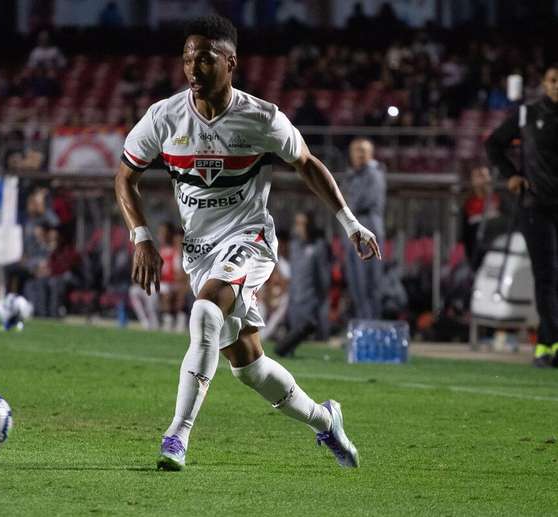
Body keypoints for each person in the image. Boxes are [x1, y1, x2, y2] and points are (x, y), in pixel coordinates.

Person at [114, 15, 380, 471]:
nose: (193, 69)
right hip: (200, 250)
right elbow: (125, 176)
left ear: (231, 61)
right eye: (186, 59)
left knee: (204, 310)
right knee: (249, 366)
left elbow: (308, 164)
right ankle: (325, 420)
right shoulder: (164, 117)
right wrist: (141, 236)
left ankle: (176, 435)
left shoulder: (262, 118)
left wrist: (351, 223)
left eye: (204, 58)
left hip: (249, 239)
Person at [485, 64, 558, 368]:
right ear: (543, 83)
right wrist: (511, 175)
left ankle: (548, 342)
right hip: (537, 206)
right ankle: (547, 345)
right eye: (554, 80)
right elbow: (493, 144)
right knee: (547, 275)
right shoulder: (528, 114)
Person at [274, 212, 330, 357]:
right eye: (296, 223)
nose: (297, 227)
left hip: (311, 299)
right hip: (294, 298)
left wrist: (322, 298)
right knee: (293, 334)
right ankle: (286, 352)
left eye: (301, 223)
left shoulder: (317, 246)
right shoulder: (293, 246)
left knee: (308, 333)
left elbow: (323, 276)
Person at [342, 138, 386, 320]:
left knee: (368, 283)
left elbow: (358, 202)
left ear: (370, 153)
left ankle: (372, 325)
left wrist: (345, 201)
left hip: (368, 227)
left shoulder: (374, 174)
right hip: (353, 229)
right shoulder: (352, 175)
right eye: (355, 151)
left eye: (363, 150)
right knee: (356, 284)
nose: (359, 155)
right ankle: (362, 324)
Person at [461, 165, 500, 270]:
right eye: (478, 176)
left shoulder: (499, 199)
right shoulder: (468, 203)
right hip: (477, 251)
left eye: (483, 176)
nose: (481, 180)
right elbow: (466, 234)